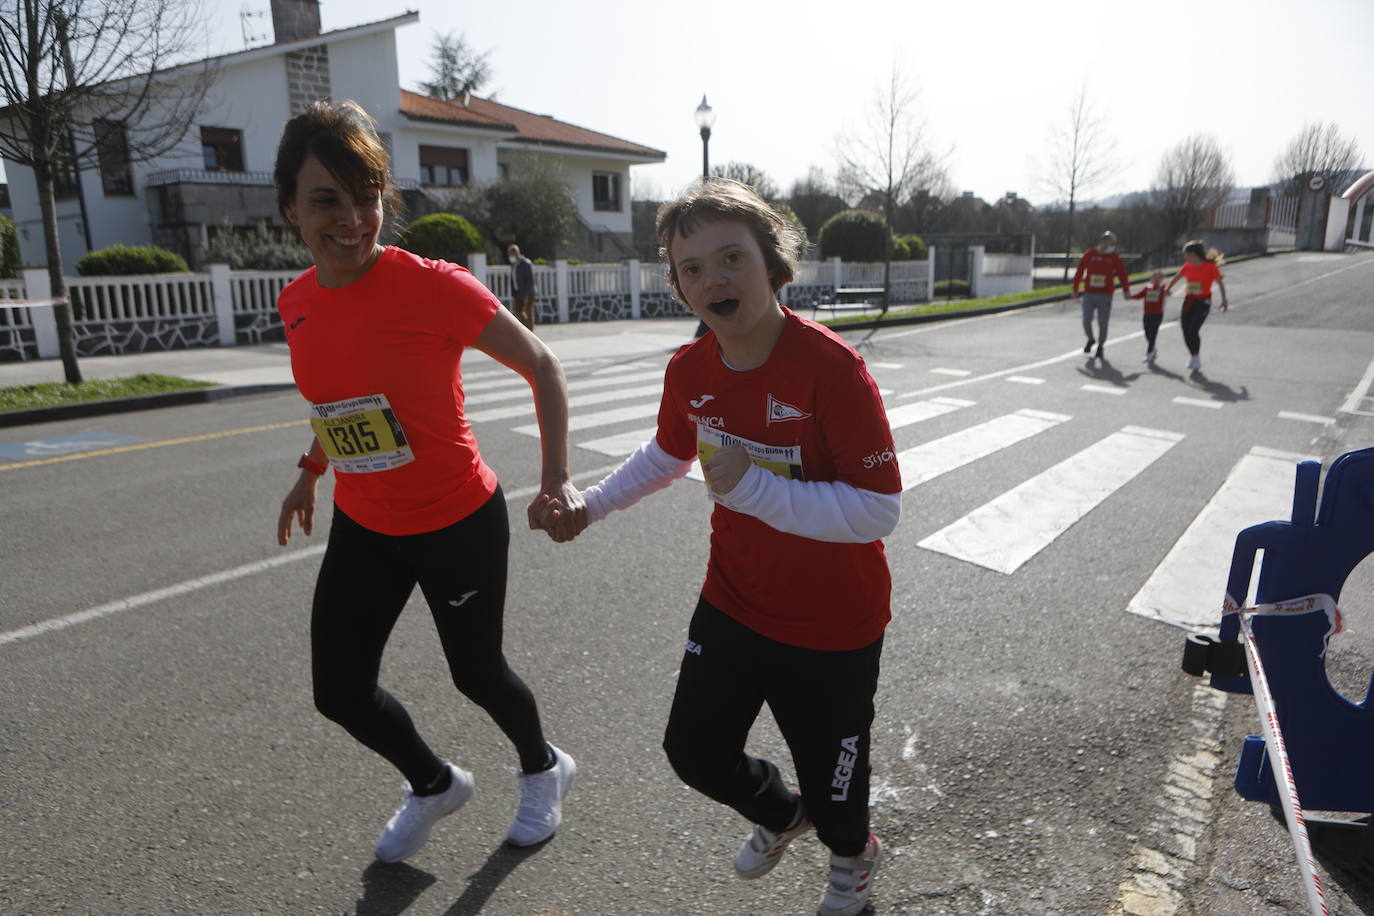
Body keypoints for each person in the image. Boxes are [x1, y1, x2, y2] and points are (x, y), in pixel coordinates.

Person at [533, 178, 901, 916]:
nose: (712, 280)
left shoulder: (832, 370)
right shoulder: (689, 371)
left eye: (732, 257)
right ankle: (777, 813)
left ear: (773, 263)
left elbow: (878, 510)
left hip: (834, 628)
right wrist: (592, 504)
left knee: (837, 793)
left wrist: (756, 490)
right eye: (691, 268)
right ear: (678, 285)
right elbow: (667, 455)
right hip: (733, 603)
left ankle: (851, 856)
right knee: (694, 752)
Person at [272, 100, 580, 864]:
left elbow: (543, 365)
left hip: (456, 521)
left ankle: (544, 767)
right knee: (338, 691)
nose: (351, 218)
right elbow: (340, 402)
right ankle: (435, 782)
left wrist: (557, 481)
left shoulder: (434, 286)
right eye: (326, 200)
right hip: (367, 523)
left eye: (366, 197)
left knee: (476, 674)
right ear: (290, 210)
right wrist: (311, 473)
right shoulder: (297, 302)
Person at [1166, 240, 1228, 371]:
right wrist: (1168, 288)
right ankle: (1193, 356)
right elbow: (1176, 278)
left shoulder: (1210, 267)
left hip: (1203, 302)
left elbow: (1220, 284)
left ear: (1193, 254)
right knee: (1185, 330)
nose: (1185, 257)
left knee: (1193, 330)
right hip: (1189, 301)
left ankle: (1197, 358)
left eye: (1186, 254)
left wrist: (1224, 301)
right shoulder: (1187, 266)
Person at [1072, 230, 1131, 360]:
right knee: (1086, 319)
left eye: (1113, 243)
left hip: (1105, 294)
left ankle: (1100, 346)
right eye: (1109, 242)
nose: (1111, 245)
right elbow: (1080, 271)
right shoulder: (1089, 254)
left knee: (1103, 323)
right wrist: (1075, 289)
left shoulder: (1114, 257)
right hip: (1089, 293)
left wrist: (1126, 290)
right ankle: (1091, 339)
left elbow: (1122, 274)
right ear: (1102, 241)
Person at [1127, 270, 1170, 364]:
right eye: (1155, 277)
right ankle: (1153, 347)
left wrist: (1168, 292)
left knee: (1153, 333)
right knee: (1147, 333)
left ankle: (1149, 354)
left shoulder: (1163, 287)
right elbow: (1139, 295)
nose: (1157, 279)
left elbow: (1168, 291)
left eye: (1159, 277)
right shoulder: (1148, 288)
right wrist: (1130, 297)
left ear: (1162, 279)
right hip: (1147, 314)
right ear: (1152, 278)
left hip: (1158, 314)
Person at [507, 244, 536, 331]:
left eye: (511, 254)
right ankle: (525, 328)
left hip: (528, 293)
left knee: (529, 312)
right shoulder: (514, 264)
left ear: (516, 253)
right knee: (517, 311)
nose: (510, 256)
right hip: (518, 292)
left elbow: (530, 280)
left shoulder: (526, 263)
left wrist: (527, 294)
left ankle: (530, 331)